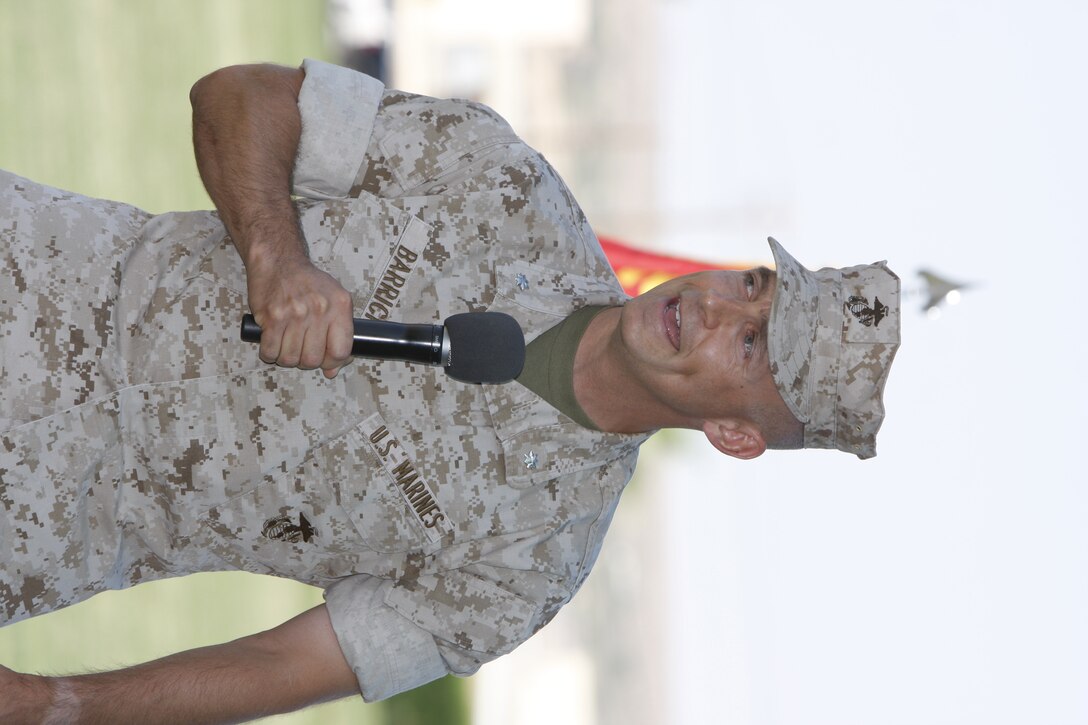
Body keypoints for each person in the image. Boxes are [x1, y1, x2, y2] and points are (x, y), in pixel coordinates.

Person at [0, 59, 901, 722]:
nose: (711, 305)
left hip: (45, 518)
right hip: (40, 269)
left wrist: (48, 703)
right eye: (752, 285)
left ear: (736, 436)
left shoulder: (529, 566)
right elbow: (235, 99)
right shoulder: (506, 190)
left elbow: (283, 666)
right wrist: (277, 257)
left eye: (752, 346)